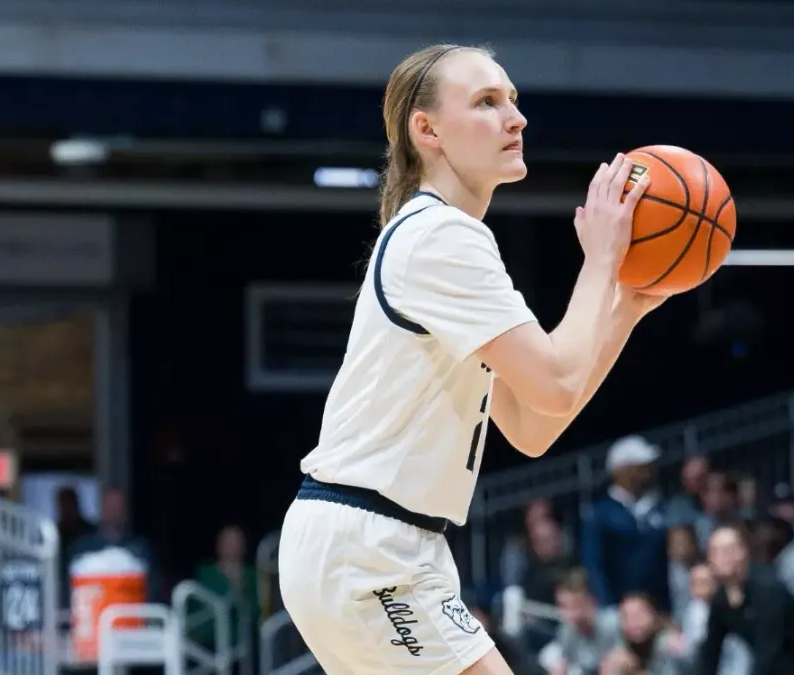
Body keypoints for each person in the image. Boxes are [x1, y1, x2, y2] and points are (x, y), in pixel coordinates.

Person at [276, 43, 660, 675]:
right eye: (486, 102)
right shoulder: (442, 238)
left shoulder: (443, 237)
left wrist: (625, 307)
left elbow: (533, 426)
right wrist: (602, 259)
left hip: (379, 543)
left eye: (513, 100)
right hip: (371, 546)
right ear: (426, 130)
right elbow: (559, 383)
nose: (516, 118)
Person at [696, 525, 794, 675]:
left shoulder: (767, 588)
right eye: (715, 551)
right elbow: (710, 653)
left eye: (728, 550)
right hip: (780, 661)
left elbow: (768, 652)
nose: (722, 557)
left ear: (743, 552)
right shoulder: (721, 599)